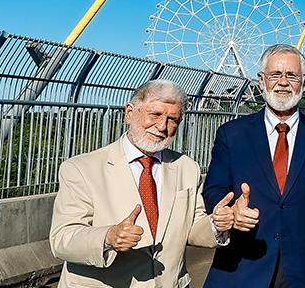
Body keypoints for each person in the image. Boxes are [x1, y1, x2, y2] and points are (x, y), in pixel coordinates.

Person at [50, 80, 231, 288]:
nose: (162, 127)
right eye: (154, 114)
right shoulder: (82, 168)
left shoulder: (187, 168)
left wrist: (216, 225)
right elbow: (62, 239)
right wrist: (108, 237)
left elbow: (190, 226)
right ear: (129, 113)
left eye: (172, 119)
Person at [203, 44, 305, 288]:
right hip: (243, 266)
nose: (283, 82)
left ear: (303, 83)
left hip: (301, 270)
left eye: (291, 75)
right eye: (275, 75)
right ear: (261, 81)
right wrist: (231, 210)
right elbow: (213, 189)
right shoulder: (232, 135)